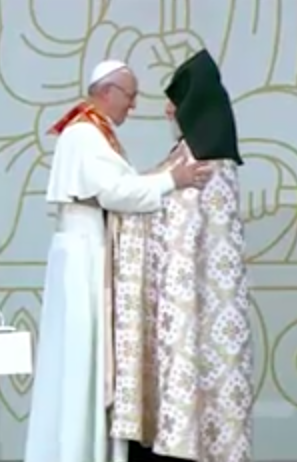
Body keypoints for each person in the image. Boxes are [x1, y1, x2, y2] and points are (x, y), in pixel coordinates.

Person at [24, 60, 215, 462]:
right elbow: (115, 192)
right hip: (85, 254)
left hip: (90, 245)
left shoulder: (92, 129)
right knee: (84, 364)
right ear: (108, 91)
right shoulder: (84, 133)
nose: (133, 104)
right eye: (130, 95)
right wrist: (173, 181)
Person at [111, 49, 253, 462]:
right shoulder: (186, 152)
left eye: (175, 100)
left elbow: (181, 220)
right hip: (176, 301)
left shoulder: (209, 159)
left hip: (197, 307)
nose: (168, 109)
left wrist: (122, 200)